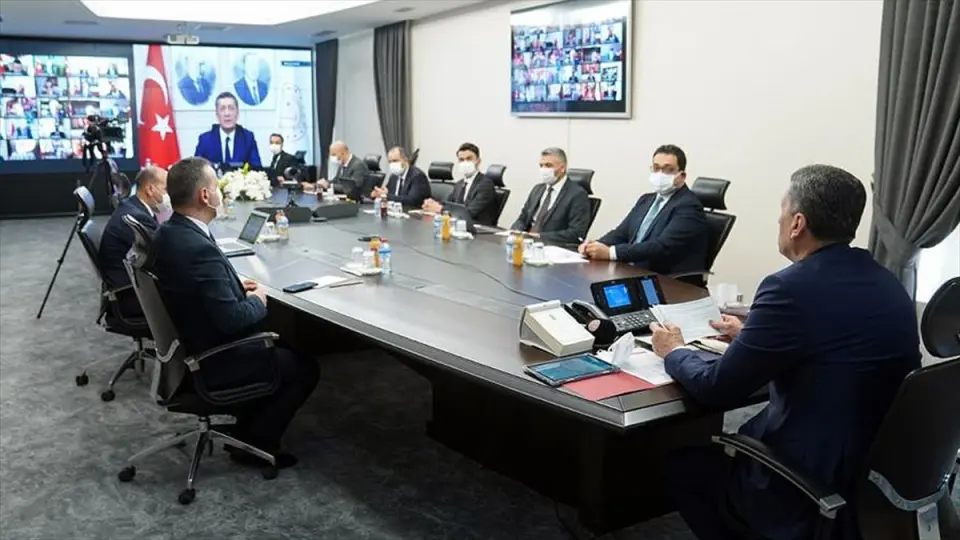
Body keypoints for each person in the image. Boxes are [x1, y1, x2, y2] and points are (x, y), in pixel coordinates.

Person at [650, 164, 920, 540]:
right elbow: (833, 340)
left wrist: (674, 350)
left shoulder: (788, 288)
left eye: (782, 210)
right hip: (873, 474)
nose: (778, 220)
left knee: (682, 467)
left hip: (807, 480)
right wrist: (752, 335)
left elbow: (716, 388)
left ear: (797, 223)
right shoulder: (886, 280)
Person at [152, 157, 320, 467]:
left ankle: (248, 427)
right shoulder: (197, 247)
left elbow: (195, 286)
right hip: (214, 357)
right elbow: (232, 320)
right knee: (304, 367)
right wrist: (258, 299)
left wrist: (231, 285)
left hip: (189, 344)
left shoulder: (170, 232)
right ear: (205, 195)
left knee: (285, 346)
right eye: (216, 187)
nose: (220, 192)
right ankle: (257, 441)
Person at [580, 144, 708, 275]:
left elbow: (662, 247)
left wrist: (611, 253)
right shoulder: (646, 199)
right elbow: (621, 233)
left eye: (668, 170)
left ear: (682, 176)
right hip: (631, 269)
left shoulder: (689, 206)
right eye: (656, 168)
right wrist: (594, 246)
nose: (660, 174)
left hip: (664, 277)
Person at [98, 166, 168, 317]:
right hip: (132, 295)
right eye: (166, 189)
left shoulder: (133, 206)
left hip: (130, 285)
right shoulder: (137, 216)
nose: (169, 195)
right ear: (150, 189)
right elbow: (162, 256)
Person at [510, 147, 590, 245]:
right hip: (525, 243)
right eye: (541, 165)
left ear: (562, 168)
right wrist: (516, 231)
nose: (543, 169)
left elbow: (576, 233)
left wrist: (539, 236)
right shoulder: (537, 189)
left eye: (548, 165)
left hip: (552, 246)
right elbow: (522, 219)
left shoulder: (577, 195)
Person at [422, 142, 499, 227]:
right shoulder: (459, 184)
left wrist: (440, 209)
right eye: (461, 160)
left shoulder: (485, 184)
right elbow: (448, 204)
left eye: (469, 159)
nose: (465, 162)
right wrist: (433, 204)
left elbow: (469, 213)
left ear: (478, 161)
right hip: (459, 227)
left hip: (480, 230)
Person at [193, 92, 261, 167]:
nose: (227, 114)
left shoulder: (248, 138)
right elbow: (196, 170)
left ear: (237, 113)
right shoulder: (205, 140)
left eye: (231, 108)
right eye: (222, 109)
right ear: (217, 115)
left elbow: (257, 169)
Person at [301, 141, 369, 196]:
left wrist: (329, 185)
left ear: (343, 153)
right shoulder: (342, 164)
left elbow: (352, 188)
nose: (332, 157)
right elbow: (335, 181)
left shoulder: (358, 165)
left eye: (334, 154)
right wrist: (315, 185)